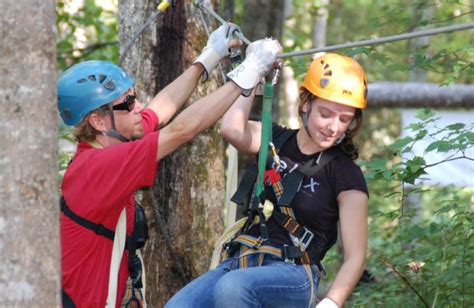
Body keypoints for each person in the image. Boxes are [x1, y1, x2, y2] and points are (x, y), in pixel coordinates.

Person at [58, 21, 281, 307]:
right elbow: (180, 131)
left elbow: (160, 111)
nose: (138, 107)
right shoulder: (99, 167)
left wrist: (207, 58)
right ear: (98, 121)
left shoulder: (111, 145)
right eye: (127, 103)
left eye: (134, 97)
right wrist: (250, 71)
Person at [166, 53, 369, 308]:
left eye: (344, 119)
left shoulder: (346, 174)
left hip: (295, 273)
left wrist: (331, 302)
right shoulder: (276, 138)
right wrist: (253, 69)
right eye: (326, 114)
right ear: (306, 103)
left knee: (234, 288)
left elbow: (356, 256)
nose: (334, 127)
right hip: (244, 260)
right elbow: (232, 129)